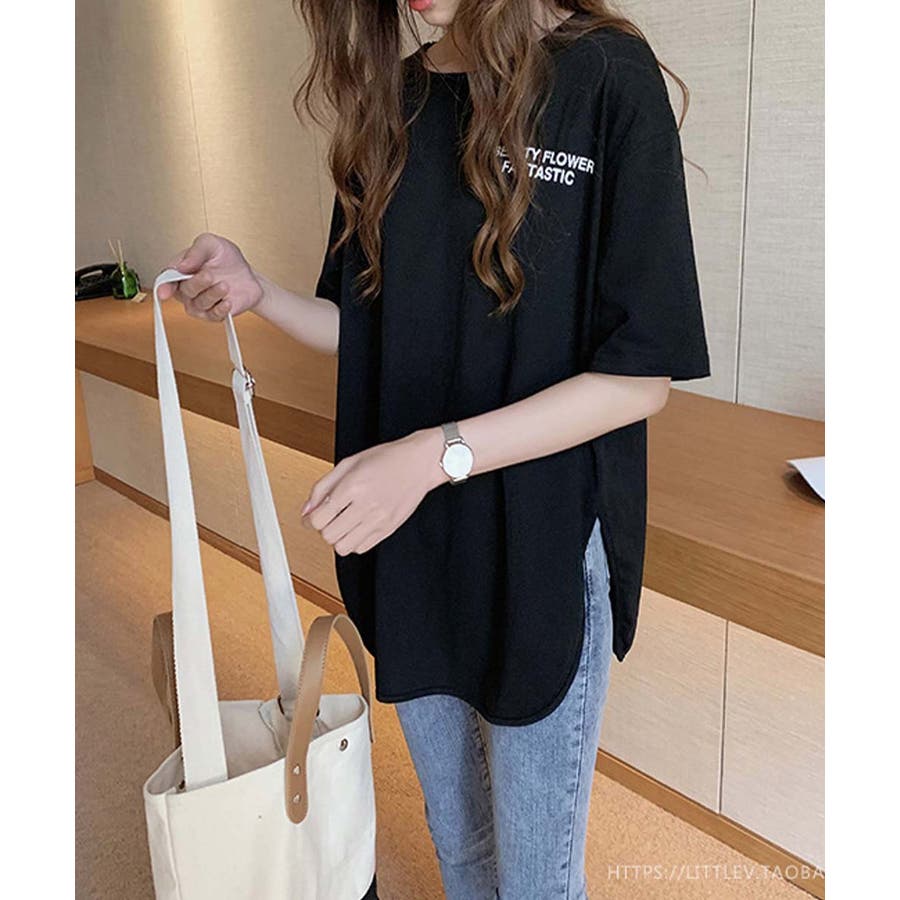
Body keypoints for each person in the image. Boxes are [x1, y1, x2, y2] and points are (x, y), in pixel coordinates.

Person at [158, 2, 711, 897]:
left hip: (539, 539)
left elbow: (639, 378)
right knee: (460, 848)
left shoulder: (606, 76)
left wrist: (431, 457)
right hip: (410, 538)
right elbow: (370, 327)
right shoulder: (398, 98)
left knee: (535, 879)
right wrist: (259, 292)